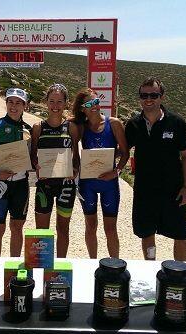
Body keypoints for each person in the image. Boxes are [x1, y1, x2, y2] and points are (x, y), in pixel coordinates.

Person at [125, 77, 186, 261]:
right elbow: (121, 152)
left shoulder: (177, 122)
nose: (149, 99)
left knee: (180, 234)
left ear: (161, 97)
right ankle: (151, 267)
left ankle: (180, 274)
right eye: (144, 95)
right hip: (144, 190)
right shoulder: (133, 125)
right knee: (147, 232)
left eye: (153, 95)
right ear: (139, 98)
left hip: (173, 189)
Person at [71, 88, 129, 259]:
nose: (95, 106)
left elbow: (125, 152)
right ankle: (92, 263)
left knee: (110, 228)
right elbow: (75, 155)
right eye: (89, 104)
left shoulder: (114, 124)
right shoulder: (80, 127)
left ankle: (115, 265)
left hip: (109, 183)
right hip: (87, 182)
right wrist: (73, 169)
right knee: (91, 226)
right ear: (83, 108)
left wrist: (116, 171)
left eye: (96, 101)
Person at [0, 87, 32, 257]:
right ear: (6, 103)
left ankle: (14, 268)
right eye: (10, 102)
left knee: (17, 228)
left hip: (21, 185)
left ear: (25, 106)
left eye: (18, 103)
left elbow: (35, 156)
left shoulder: (29, 130)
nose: (13, 106)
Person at [31, 84, 80, 258]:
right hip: (44, 185)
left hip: (66, 186)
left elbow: (76, 156)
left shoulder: (71, 128)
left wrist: (74, 170)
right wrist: (36, 165)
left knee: (63, 229)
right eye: (51, 101)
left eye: (60, 101)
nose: (55, 105)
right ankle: (43, 265)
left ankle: (59, 266)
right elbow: (32, 156)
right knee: (42, 231)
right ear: (46, 102)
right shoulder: (38, 127)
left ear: (66, 103)